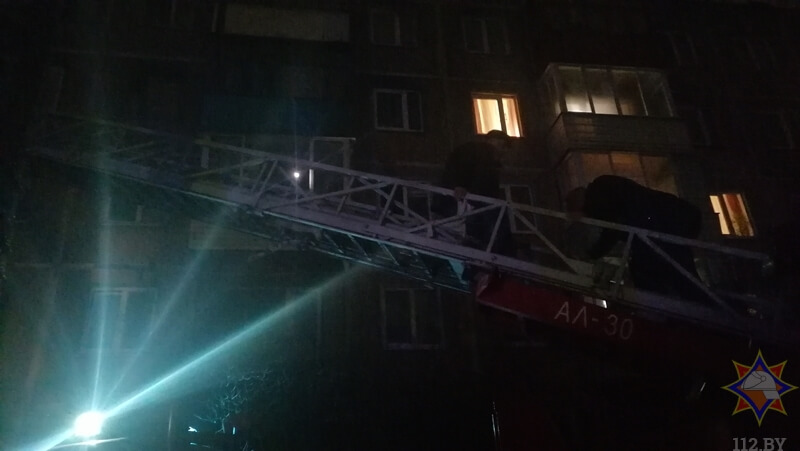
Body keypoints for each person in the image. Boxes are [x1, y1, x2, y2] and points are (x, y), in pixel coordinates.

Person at [565, 175, 705, 302]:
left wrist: (594, 254)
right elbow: (617, 227)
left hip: (667, 224)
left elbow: (614, 228)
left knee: (660, 270)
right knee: (665, 270)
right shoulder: (603, 189)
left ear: (578, 203)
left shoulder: (599, 194)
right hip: (671, 221)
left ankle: (693, 306)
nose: (584, 218)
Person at [437, 130, 514, 256]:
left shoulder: (485, 157)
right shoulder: (479, 151)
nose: (502, 150)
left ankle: (488, 250)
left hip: (478, 202)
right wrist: (459, 185)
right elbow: (461, 165)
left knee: (482, 231)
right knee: (491, 228)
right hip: (476, 201)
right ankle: (498, 252)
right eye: (501, 145)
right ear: (491, 141)